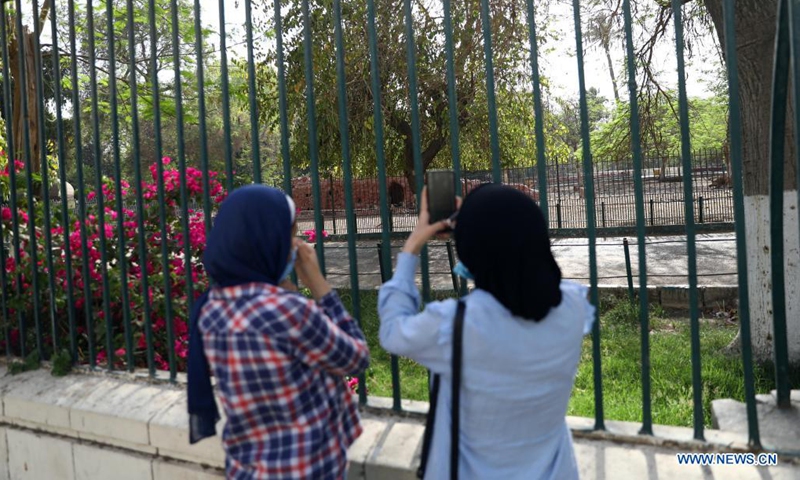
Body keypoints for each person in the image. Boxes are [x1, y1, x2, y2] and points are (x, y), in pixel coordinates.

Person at [378, 183, 594, 480]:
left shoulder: (455, 325)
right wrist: (479, 226)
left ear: (471, 249)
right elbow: (517, 258)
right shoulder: (574, 307)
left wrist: (413, 245)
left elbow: (392, 330)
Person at [187, 185, 370, 480]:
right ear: (269, 242)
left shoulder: (209, 309)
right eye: (290, 236)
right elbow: (356, 358)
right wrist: (318, 284)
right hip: (306, 469)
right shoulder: (289, 312)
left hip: (247, 468)